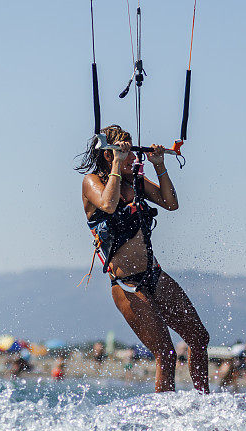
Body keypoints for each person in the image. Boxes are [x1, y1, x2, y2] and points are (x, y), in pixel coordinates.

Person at [77, 124, 210, 393]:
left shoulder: (135, 182)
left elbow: (171, 203)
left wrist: (159, 164)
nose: (135, 159)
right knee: (167, 354)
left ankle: (204, 406)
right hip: (127, 285)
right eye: (128, 154)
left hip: (154, 275)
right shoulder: (93, 182)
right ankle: (164, 418)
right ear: (109, 155)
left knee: (199, 338)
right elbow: (108, 204)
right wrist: (117, 162)